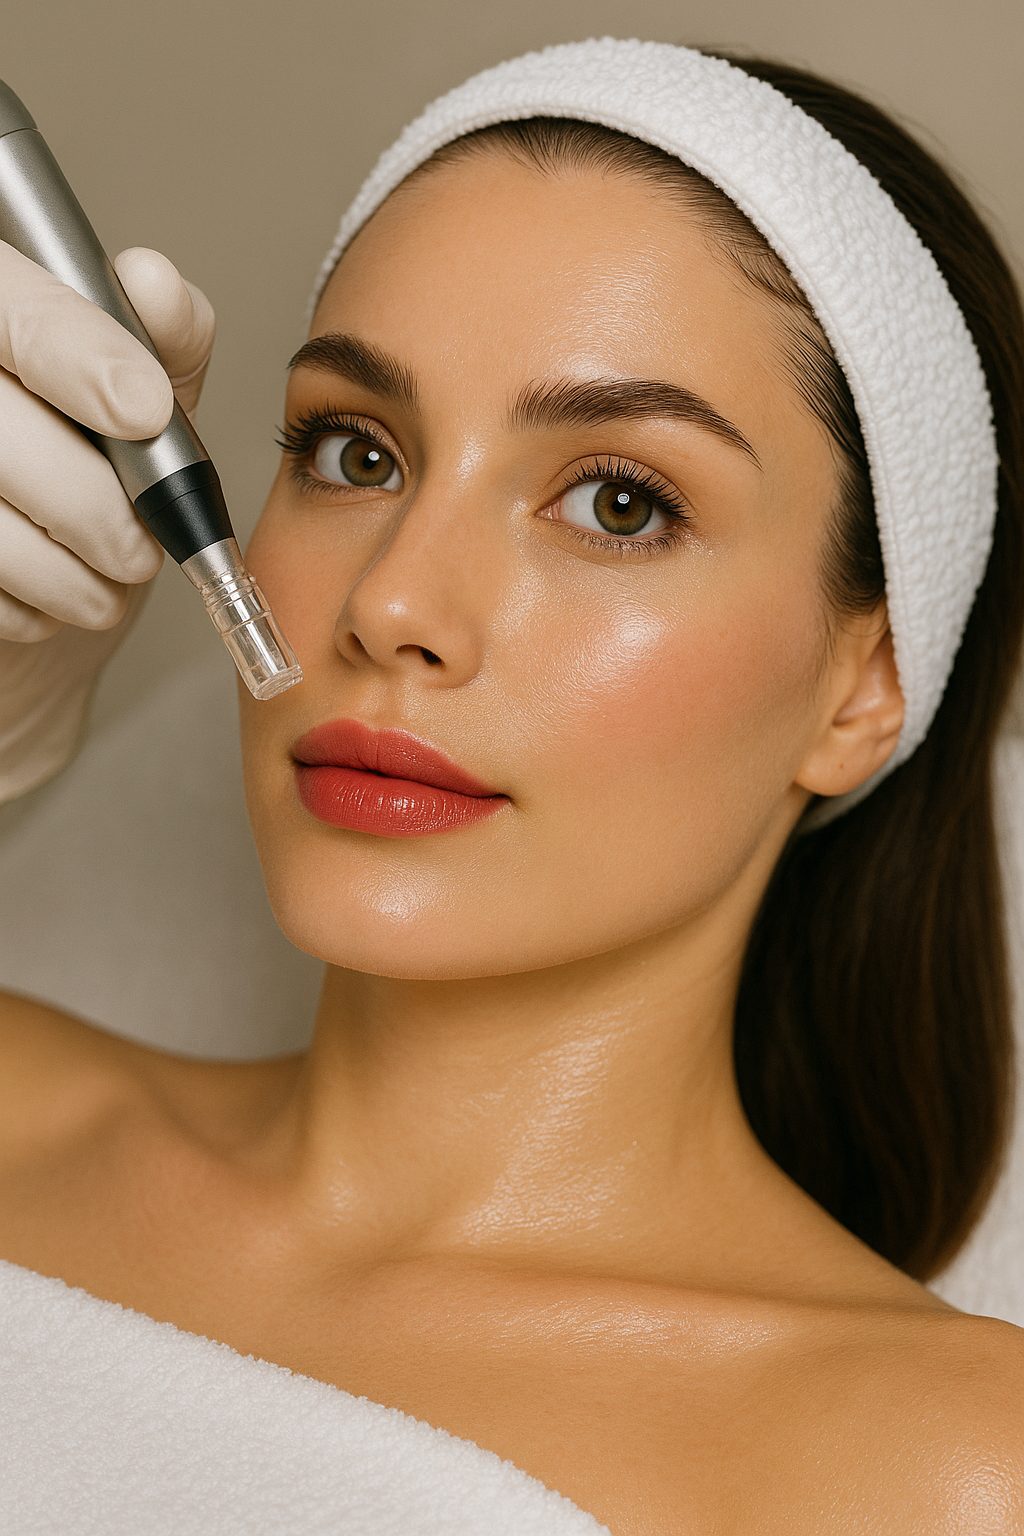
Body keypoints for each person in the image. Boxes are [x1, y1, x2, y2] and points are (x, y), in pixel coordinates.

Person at [0, 38, 1022, 1534]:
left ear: (865, 686)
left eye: (619, 502)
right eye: (355, 454)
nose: (392, 604)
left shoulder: (949, 1470)